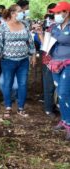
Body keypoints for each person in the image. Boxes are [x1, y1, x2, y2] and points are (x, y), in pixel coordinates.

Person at [0, 4, 36, 118]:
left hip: (23, 61)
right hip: (8, 61)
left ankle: (21, 108)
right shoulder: (3, 27)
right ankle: (8, 107)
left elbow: (30, 41)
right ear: (13, 13)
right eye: (20, 11)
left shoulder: (25, 24)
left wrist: (33, 55)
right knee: (7, 83)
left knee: (23, 84)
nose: (23, 13)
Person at [39, 1, 70, 140]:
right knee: (60, 93)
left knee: (64, 93)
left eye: (58, 13)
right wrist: (42, 34)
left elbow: (61, 38)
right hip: (54, 63)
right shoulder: (55, 26)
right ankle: (64, 120)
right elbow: (47, 43)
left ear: (67, 12)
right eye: (55, 13)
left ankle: (68, 123)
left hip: (68, 64)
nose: (56, 15)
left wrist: (53, 35)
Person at [37, 3, 57, 118]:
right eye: (52, 13)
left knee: (61, 87)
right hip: (49, 60)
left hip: (64, 60)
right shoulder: (50, 27)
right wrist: (40, 33)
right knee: (49, 85)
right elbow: (46, 46)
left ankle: (58, 106)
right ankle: (49, 108)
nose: (52, 16)